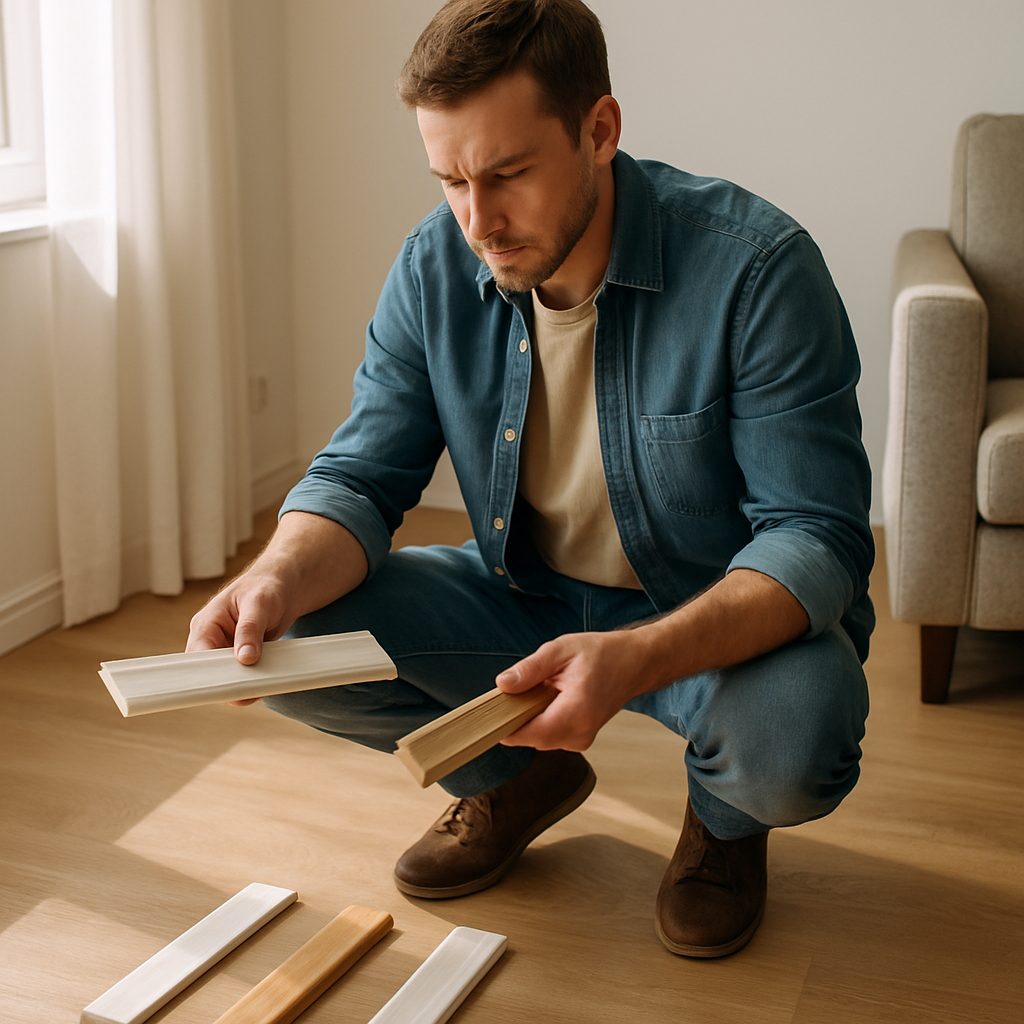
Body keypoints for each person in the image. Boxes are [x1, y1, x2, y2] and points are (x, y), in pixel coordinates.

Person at [187, 0, 873, 959]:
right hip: (528, 598)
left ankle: (724, 825)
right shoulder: (435, 262)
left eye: (507, 173)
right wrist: (273, 575)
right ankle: (515, 778)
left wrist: (633, 658)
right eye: (451, 180)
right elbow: (361, 471)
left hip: (712, 621)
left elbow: (816, 537)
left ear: (600, 130)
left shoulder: (757, 270)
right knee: (292, 637)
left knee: (800, 730)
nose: (478, 219)